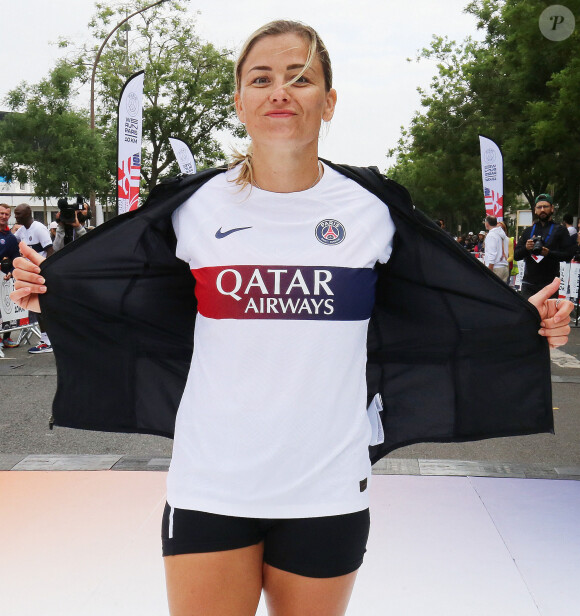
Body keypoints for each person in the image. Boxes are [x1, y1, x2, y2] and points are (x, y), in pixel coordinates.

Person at [11, 20, 574, 616]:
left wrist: (519, 322)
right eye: (262, 79)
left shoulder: (373, 209)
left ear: (328, 103)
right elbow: (133, 302)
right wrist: (51, 293)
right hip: (211, 481)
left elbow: (434, 310)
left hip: (327, 485)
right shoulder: (192, 206)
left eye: (300, 78)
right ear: (240, 102)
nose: (280, 91)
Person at [514, 193, 575, 300]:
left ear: (552, 209)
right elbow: (516, 255)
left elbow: (568, 255)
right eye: (539, 207)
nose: (542, 210)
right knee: (528, 315)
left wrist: (549, 253)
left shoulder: (560, 230)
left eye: (545, 206)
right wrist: (526, 248)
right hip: (528, 284)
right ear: (535, 210)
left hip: (550, 285)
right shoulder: (528, 231)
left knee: (547, 316)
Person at [13, 204, 54, 353]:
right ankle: (47, 339)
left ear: (28, 213)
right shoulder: (21, 231)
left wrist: (45, 273)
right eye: (15, 214)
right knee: (37, 309)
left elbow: (50, 251)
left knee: (41, 308)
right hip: (31, 275)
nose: (16, 217)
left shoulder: (39, 228)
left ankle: (48, 342)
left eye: (18, 214)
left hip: (41, 275)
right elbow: (12, 240)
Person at [0, 203, 21, 348]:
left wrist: (11, 271)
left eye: (6, 214)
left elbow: (15, 259)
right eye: (1, 213)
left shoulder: (11, 238)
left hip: (5, 279)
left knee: (7, 309)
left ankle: (6, 337)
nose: (3, 216)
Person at [484, 215, 509, 282]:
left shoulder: (491, 235)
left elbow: (492, 254)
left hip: (495, 268)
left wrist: (489, 270)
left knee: (491, 291)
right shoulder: (504, 235)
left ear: (487, 223)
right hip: (504, 267)